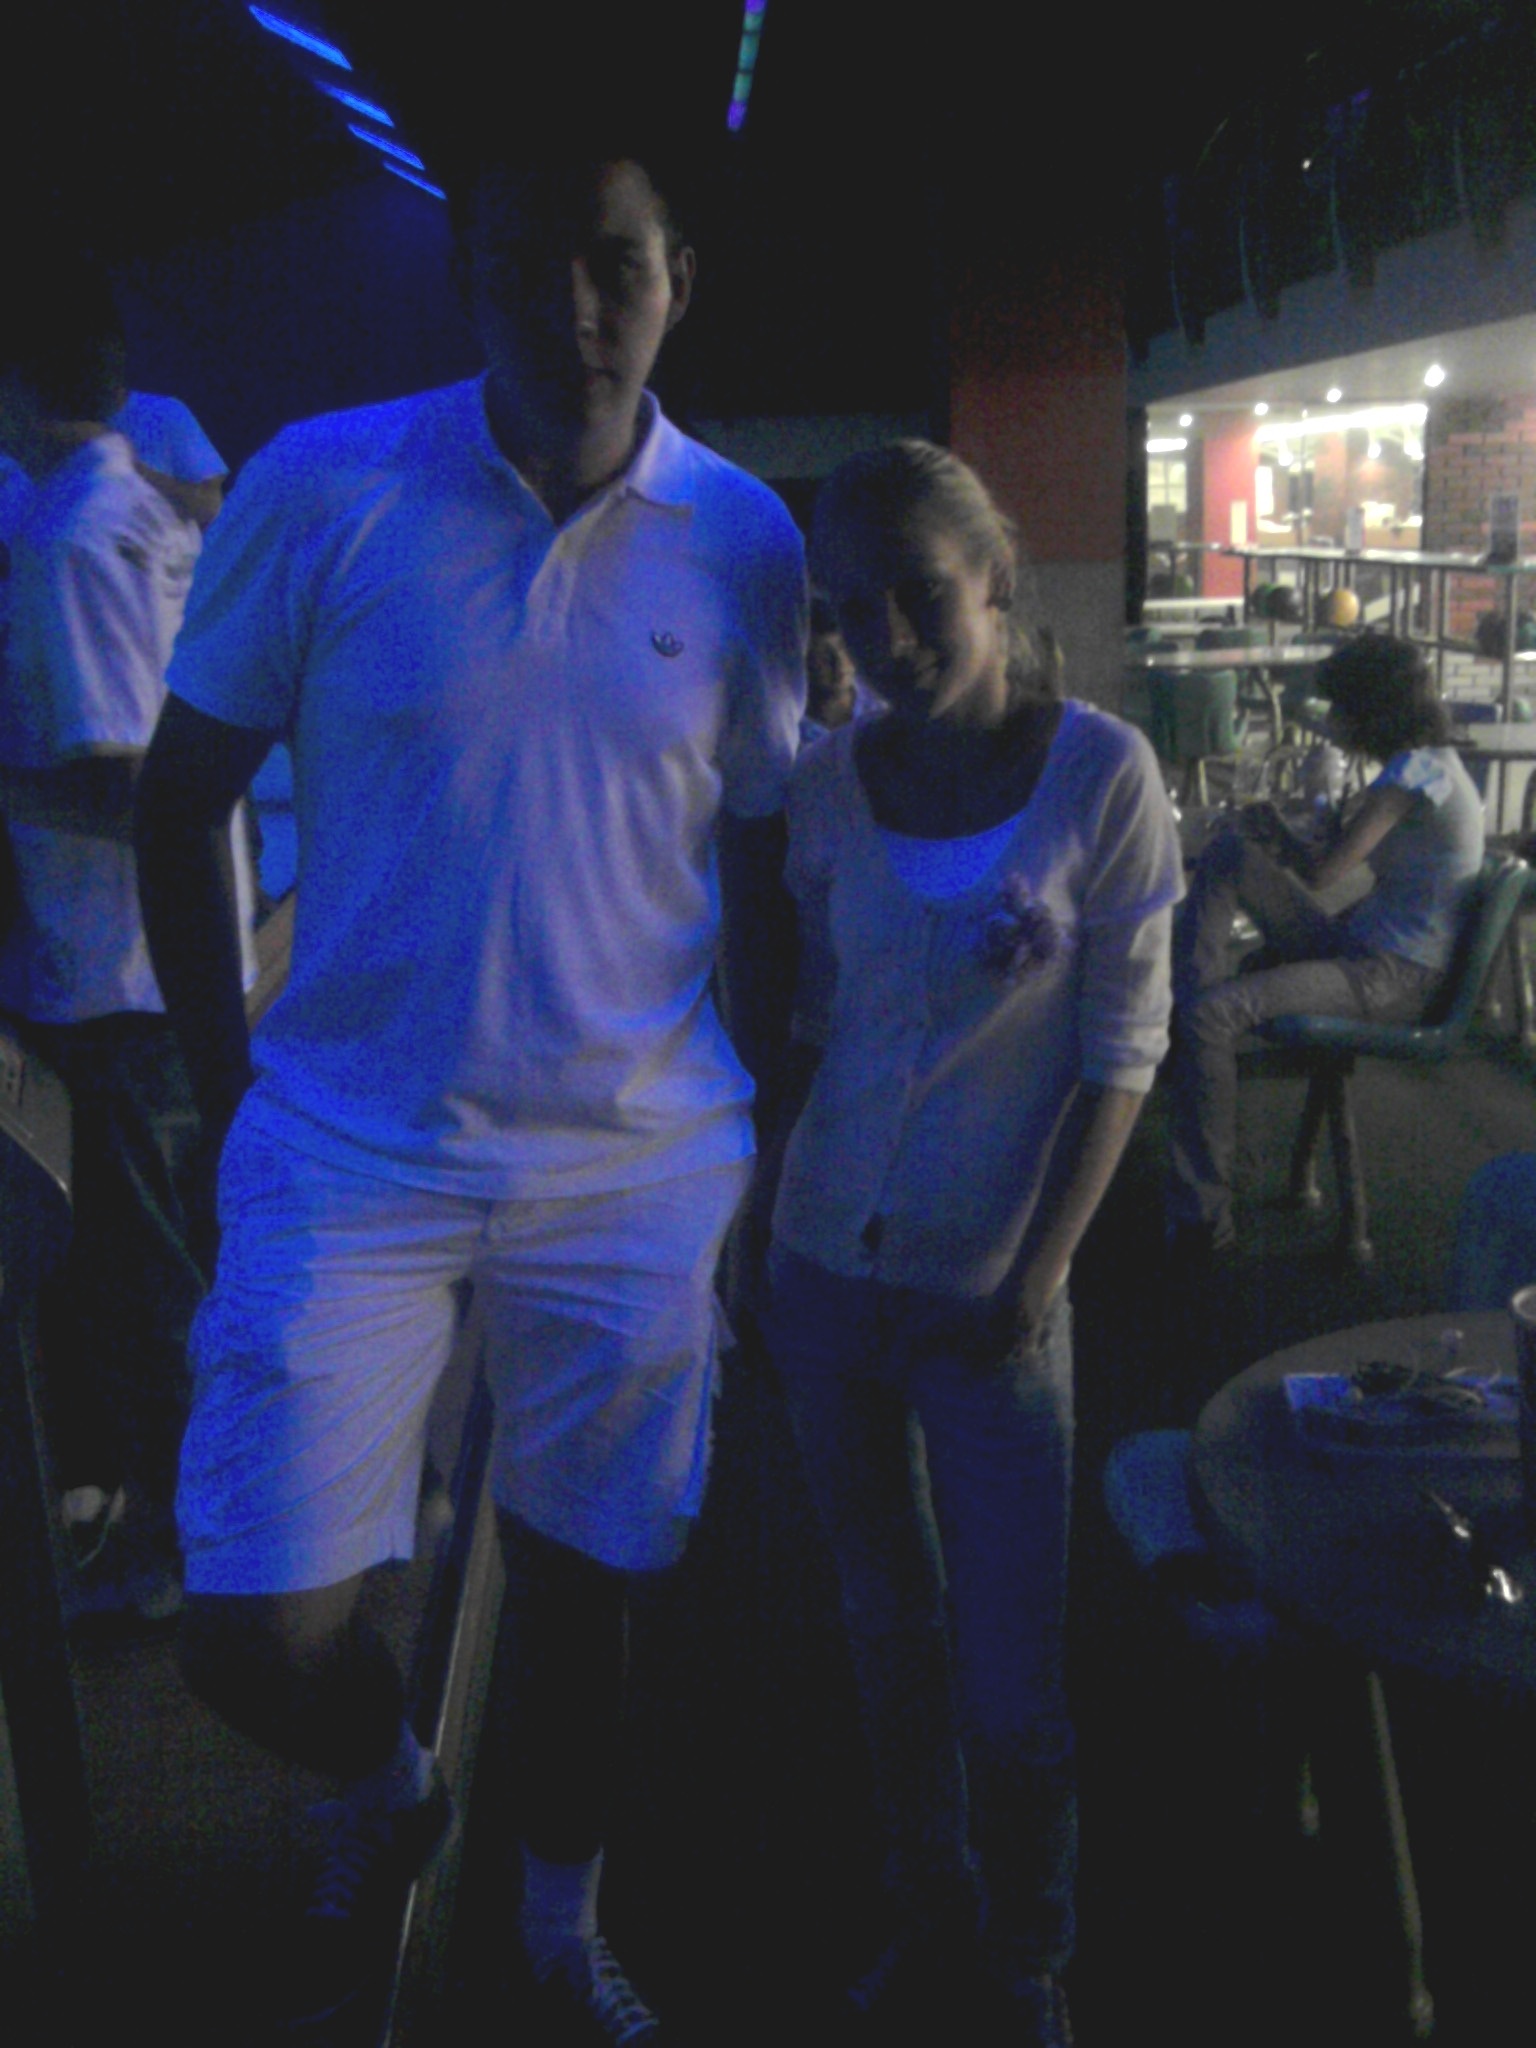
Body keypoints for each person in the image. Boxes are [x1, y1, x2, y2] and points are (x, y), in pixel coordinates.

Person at [134, 144, 805, 2038]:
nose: (575, 312)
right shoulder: (323, 485)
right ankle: (387, 1777)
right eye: (528, 269)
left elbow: (755, 851)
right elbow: (180, 801)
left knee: (586, 1588)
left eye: (616, 266)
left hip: (636, 1155)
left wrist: (763, 1138)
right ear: (466, 278)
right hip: (350, 1142)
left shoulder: (744, 534)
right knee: (251, 1631)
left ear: (678, 280)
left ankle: (555, 1925)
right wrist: (227, 1092)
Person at [762, 441, 1182, 2046]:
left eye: (919, 592)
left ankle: (1029, 1952)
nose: (885, 635)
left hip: (992, 1290)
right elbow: (817, 1021)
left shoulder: (1100, 776)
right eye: (848, 608)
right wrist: (756, 1214)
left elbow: (1123, 1050)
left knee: (1013, 1674)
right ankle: (928, 1905)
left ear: (997, 580)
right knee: (884, 1633)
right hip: (823, 1271)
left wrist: (1040, 1274)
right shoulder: (824, 783)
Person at [0, 272, 256, 1619]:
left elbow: (127, 784)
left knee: (141, 1279)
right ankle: (208, 1527)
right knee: (169, 1268)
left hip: (113, 972)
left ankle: (187, 1555)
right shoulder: (152, 514)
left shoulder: (72, 536)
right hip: (164, 962)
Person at [1166, 633, 1485, 1253]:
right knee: (1230, 854)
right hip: (1366, 950)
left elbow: (1323, 873)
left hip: (1389, 976)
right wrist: (1279, 832)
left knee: (1210, 1018)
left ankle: (1203, 1212)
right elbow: (1335, 862)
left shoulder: (1410, 774)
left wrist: (1285, 830)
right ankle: (1187, 1020)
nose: (1333, 719)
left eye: (1342, 707)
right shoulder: (1433, 764)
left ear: (1372, 709)